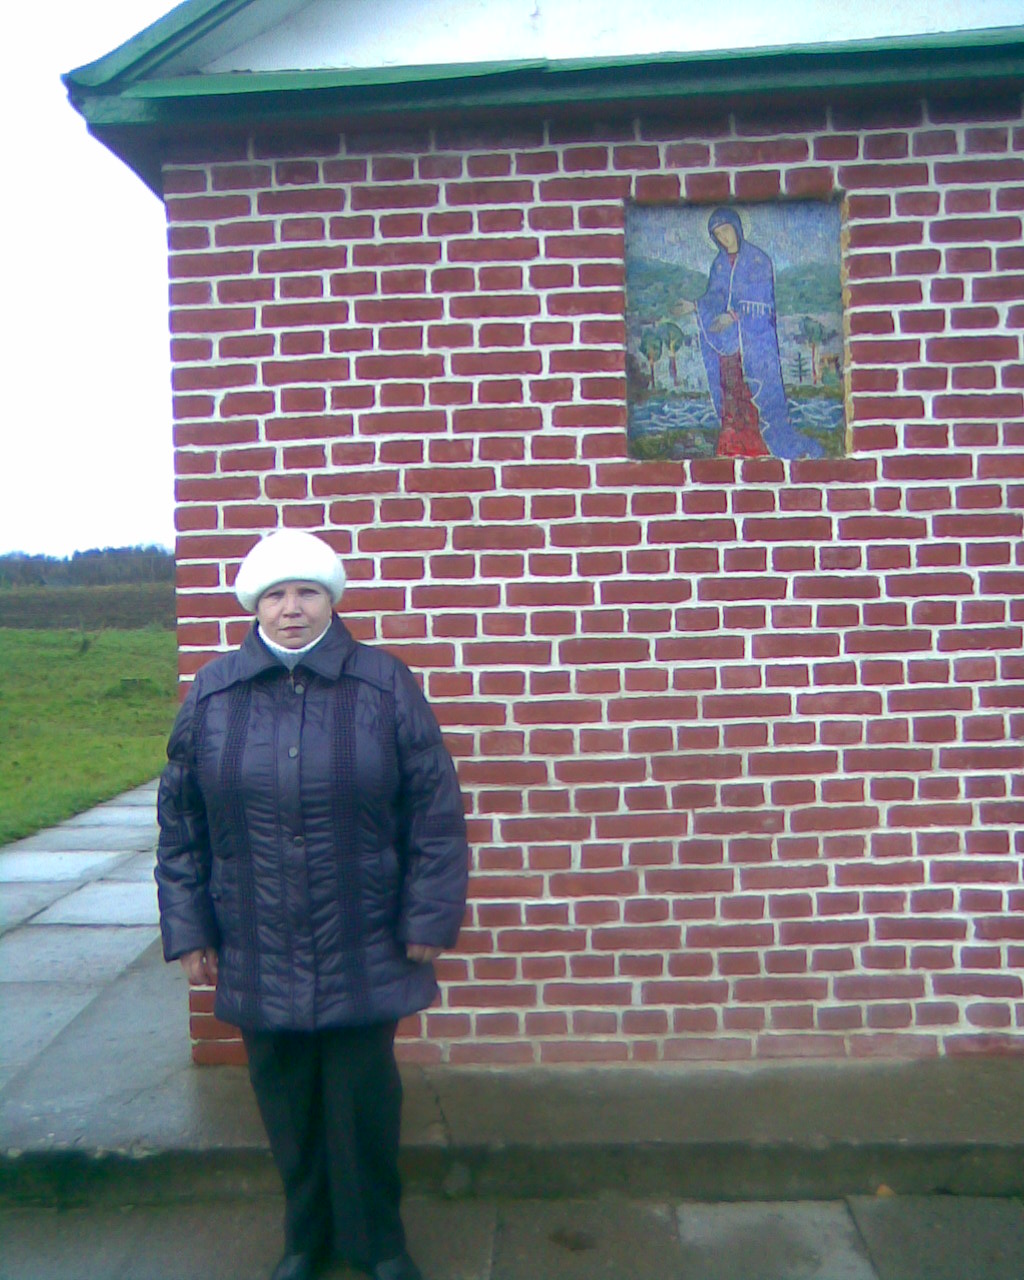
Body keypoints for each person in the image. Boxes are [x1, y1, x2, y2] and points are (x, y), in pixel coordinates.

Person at [155, 528, 469, 1280]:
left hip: (365, 934)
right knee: (287, 1105)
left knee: (363, 1105)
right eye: (275, 594)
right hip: (256, 934)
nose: (291, 608)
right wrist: (189, 928)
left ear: (331, 600)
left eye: (306, 592)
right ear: (254, 605)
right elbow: (181, 824)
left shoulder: (384, 684)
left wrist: (428, 915)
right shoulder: (215, 692)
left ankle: (378, 1243)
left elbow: (434, 810)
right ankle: (306, 1239)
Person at [695, 206, 825, 460]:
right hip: (727, 346)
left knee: (753, 392)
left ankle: (761, 444)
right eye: (718, 234)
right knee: (731, 393)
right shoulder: (719, 265)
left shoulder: (758, 260)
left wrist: (733, 316)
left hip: (753, 341)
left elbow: (762, 301)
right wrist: (696, 306)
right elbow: (713, 297)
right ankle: (733, 445)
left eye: (726, 230)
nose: (723, 238)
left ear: (737, 228)